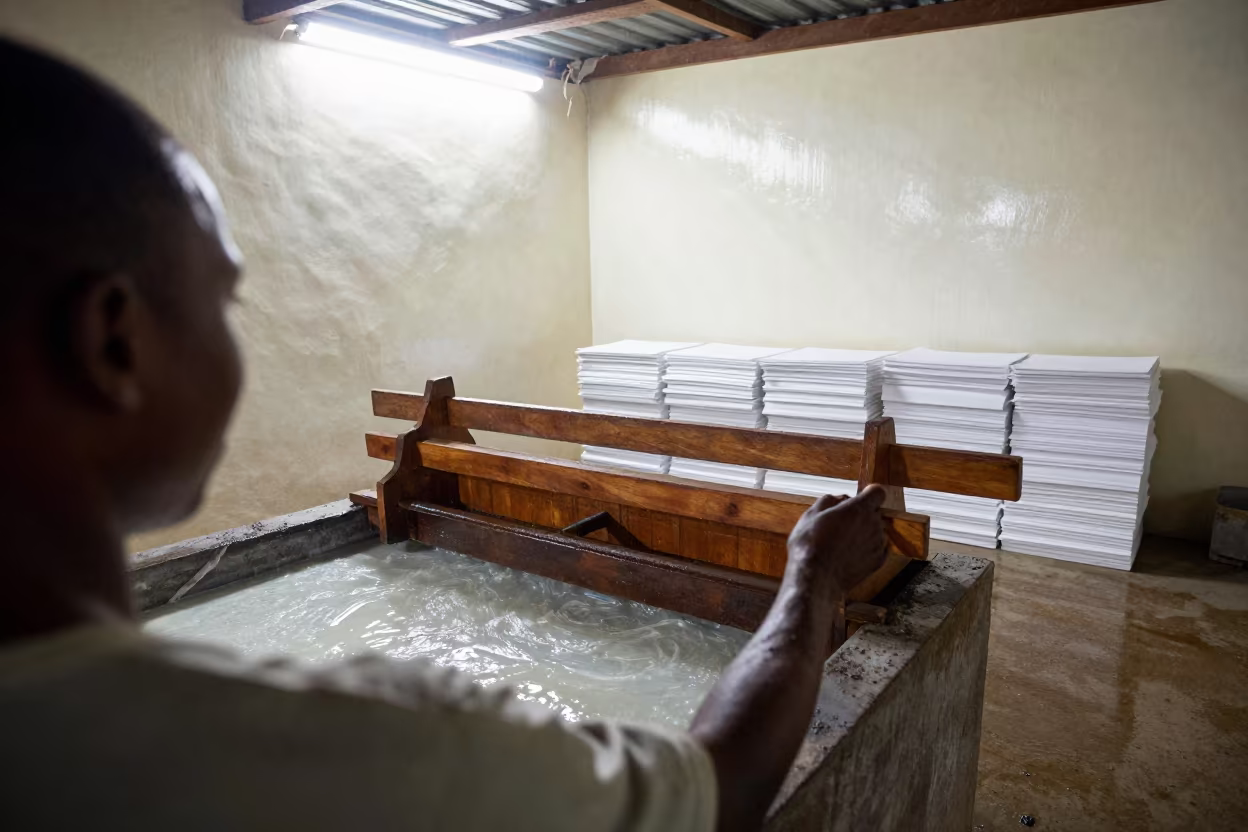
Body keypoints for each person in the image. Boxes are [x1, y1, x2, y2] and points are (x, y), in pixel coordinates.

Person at [0, 38, 888, 832]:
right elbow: (714, 791)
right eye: (222, 300)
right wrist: (810, 578)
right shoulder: (354, 752)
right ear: (112, 341)